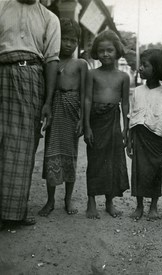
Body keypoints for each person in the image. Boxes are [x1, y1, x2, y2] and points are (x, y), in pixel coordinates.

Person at [0, 0, 60, 229]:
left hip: (31, 78)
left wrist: (48, 101)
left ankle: (13, 213)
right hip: (1, 71)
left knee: (23, 148)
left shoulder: (49, 18)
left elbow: (52, 60)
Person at [38, 18, 88, 217]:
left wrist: (82, 119)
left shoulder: (81, 64)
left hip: (71, 110)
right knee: (51, 154)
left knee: (70, 156)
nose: (68, 43)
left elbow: (85, 94)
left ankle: (68, 199)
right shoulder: (51, 61)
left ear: (78, 42)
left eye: (73, 40)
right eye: (64, 39)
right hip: (55, 109)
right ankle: (50, 201)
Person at [84, 30, 130, 219]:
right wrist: (86, 126)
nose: (105, 54)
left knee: (113, 161)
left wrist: (126, 128)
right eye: (101, 51)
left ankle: (109, 202)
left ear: (117, 51)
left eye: (109, 50)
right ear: (96, 52)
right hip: (95, 120)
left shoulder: (123, 77)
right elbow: (86, 99)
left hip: (113, 122)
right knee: (95, 160)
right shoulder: (92, 74)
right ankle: (91, 201)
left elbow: (126, 103)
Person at [127, 49, 162, 220]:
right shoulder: (137, 91)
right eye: (141, 65)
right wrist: (130, 140)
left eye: (145, 65)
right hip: (139, 136)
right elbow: (132, 117)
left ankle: (153, 206)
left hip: (156, 138)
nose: (140, 68)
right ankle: (139, 206)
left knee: (154, 172)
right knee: (138, 171)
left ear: (157, 68)